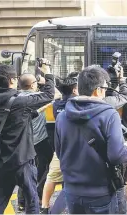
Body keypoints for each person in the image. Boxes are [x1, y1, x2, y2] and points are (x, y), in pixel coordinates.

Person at [55, 66, 127, 214]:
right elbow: (116, 156)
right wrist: (126, 149)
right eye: (106, 88)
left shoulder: (62, 116)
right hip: (100, 192)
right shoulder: (109, 115)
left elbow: (59, 152)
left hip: (71, 191)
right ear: (98, 90)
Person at [0, 63, 55, 214]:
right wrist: (47, 73)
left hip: (0, 161)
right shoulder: (19, 101)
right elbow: (49, 95)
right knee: (32, 202)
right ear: (12, 80)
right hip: (22, 160)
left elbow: (12, 120)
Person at [40, 74, 79, 214]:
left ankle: (44, 206)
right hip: (76, 148)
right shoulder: (78, 105)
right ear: (74, 90)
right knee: (71, 182)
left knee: (52, 177)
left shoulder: (57, 105)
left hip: (61, 147)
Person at [16, 73, 54, 212]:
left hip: (24, 142)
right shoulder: (35, 98)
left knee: (25, 170)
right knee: (47, 168)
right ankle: (37, 195)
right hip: (40, 141)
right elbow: (51, 94)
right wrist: (48, 75)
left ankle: (21, 201)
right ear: (32, 85)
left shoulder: (16, 98)